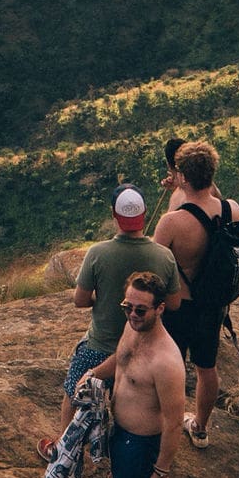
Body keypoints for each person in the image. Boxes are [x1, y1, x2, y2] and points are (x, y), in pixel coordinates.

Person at [41, 186, 180, 461]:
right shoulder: (164, 256)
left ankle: (62, 448)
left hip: (101, 345)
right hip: (144, 347)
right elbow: (174, 303)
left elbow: (80, 300)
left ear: (114, 216)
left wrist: (103, 298)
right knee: (127, 411)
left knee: (73, 390)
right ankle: (116, 475)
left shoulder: (97, 253)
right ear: (144, 214)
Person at [74, 272, 185, 478]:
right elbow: (120, 361)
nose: (133, 315)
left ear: (160, 308)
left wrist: (162, 471)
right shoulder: (132, 328)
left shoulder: (166, 361)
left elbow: (174, 423)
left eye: (141, 310)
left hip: (139, 445)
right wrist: (93, 373)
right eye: (128, 307)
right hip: (122, 435)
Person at [153, 140, 239, 449]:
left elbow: (152, 265)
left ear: (182, 176)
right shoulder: (232, 209)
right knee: (207, 368)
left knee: (173, 367)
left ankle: (164, 426)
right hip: (214, 304)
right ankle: (201, 428)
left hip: (180, 305)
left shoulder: (172, 222)